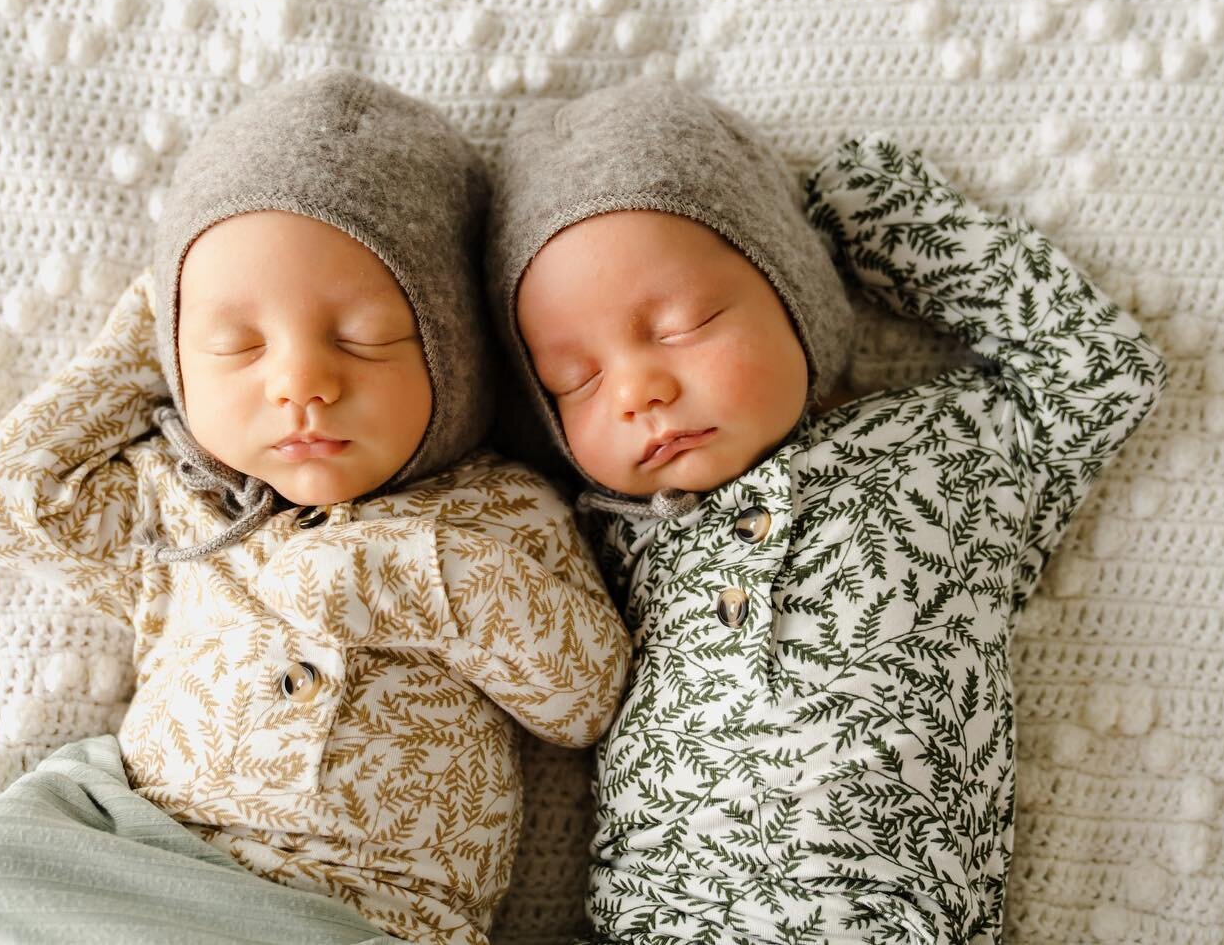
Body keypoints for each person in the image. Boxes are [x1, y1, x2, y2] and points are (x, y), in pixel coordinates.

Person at [0, 68, 630, 945]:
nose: (301, 383)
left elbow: (585, 696)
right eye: (235, 344)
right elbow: (5, 503)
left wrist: (408, 576)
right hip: (145, 864)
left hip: (361, 914)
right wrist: (145, 329)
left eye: (362, 339)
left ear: (454, 352)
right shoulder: (177, 506)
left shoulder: (496, 508)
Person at [485, 77, 1168, 944]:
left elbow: (1103, 371)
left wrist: (884, 217)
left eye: (683, 323)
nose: (637, 391)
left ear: (795, 293)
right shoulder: (607, 533)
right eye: (573, 380)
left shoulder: (946, 448)